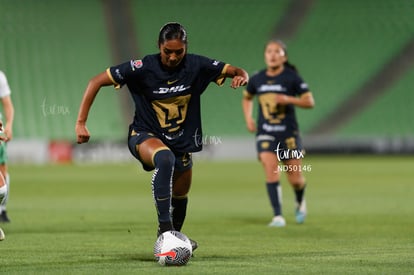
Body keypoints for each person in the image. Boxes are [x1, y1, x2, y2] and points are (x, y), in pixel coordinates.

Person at [75, 22, 248, 250]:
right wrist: (81, 122)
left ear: (186, 48)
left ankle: (171, 237)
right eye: (168, 51)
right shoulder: (142, 67)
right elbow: (95, 81)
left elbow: (235, 70)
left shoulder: (197, 65)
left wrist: (241, 76)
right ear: (159, 46)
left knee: (181, 192)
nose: (174, 57)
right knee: (165, 158)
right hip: (144, 134)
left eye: (179, 52)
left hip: (181, 141)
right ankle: (166, 233)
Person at [242, 40, 314, 227]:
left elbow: (309, 102)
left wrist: (288, 99)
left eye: (277, 51)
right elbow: (247, 97)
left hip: (289, 135)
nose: (272, 55)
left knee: (295, 179)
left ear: (285, 57)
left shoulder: (292, 77)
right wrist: (249, 118)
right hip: (266, 133)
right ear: (265, 55)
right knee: (271, 171)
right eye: (269, 51)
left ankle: (299, 200)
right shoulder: (257, 78)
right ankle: (278, 216)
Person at [0, 70, 14, 223]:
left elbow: (8, 106)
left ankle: (1, 210)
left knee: (2, 168)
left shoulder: (0, 77)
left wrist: (9, 125)